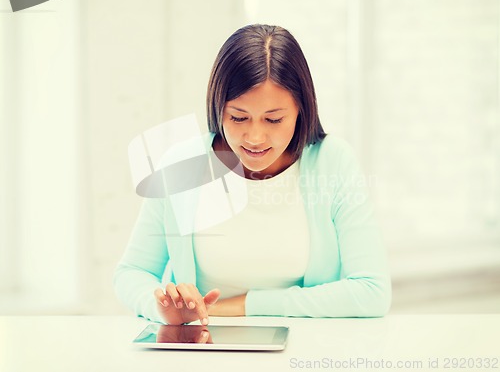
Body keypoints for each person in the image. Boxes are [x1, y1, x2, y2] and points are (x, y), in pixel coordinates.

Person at [114, 24, 391, 326]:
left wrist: (244, 305)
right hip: (205, 349)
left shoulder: (332, 162)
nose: (255, 137)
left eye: (273, 119)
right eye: (238, 117)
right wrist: (159, 308)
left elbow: (372, 291)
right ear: (218, 106)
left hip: (306, 346)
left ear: (302, 109)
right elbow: (132, 273)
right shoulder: (183, 165)